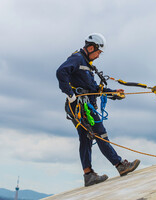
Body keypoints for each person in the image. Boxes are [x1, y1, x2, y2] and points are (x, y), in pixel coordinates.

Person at [56, 33, 140, 187]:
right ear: (91, 47)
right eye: (98, 52)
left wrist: (114, 93)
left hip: (80, 106)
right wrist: (70, 94)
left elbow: (94, 89)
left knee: (86, 138)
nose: (99, 56)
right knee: (100, 133)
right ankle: (120, 165)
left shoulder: (86, 64)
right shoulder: (77, 59)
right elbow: (61, 72)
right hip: (80, 105)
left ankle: (88, 175)